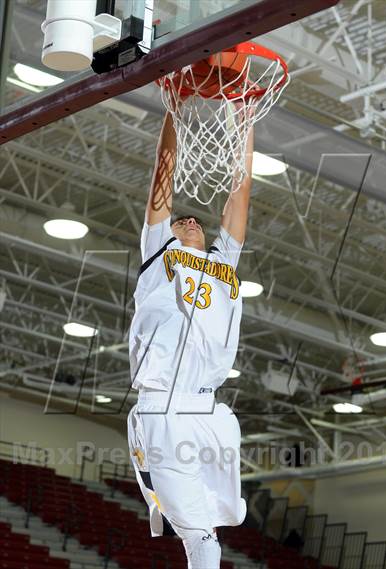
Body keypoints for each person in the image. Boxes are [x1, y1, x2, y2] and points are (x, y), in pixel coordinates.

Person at [127, 107, 254, 569]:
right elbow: (163, 175)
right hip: (162, 403)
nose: (191, 222)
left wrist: (245, 121)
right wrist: (172, 113)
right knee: (200, 537)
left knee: (215, 526)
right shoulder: (159, 256)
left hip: (209, 407)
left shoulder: (223, 267)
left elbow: (238, 198)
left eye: (197, 222)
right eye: (182, 221)